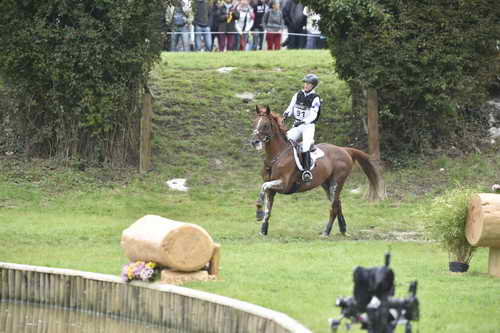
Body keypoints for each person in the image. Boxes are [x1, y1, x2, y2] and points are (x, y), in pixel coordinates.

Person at [282, 74, 321, 182]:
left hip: (308, 127)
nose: (305, 85)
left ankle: (306, 171)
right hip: (297, 125)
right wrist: (286, 114)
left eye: (308, 84)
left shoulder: (315, 98)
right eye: (305, 83)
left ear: (313, 86)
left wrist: (303, 121)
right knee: (285, 140)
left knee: (305, 147)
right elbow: (291, 108)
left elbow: (313, 115)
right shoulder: (297, 94)